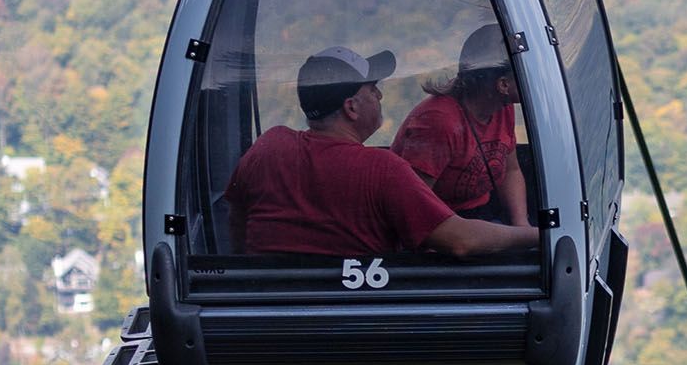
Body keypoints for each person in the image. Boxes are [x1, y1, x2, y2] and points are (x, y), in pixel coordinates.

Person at [222, 46, 537, 259]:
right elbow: (461, 242)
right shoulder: (382, 169)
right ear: (352, 107)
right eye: (372, 89)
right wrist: (535, 236)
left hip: (271, 303)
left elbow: (237, 218)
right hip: (358, 307)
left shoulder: (268, 146)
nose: (380, 94)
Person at [389, 23, 527, 226]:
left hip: (478, 216)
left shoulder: (501, 107)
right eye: (525, 70)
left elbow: (511, 170)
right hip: (439, 227)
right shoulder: (439, 122)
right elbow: (411, 205)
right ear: (503, 85)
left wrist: (521, 225)